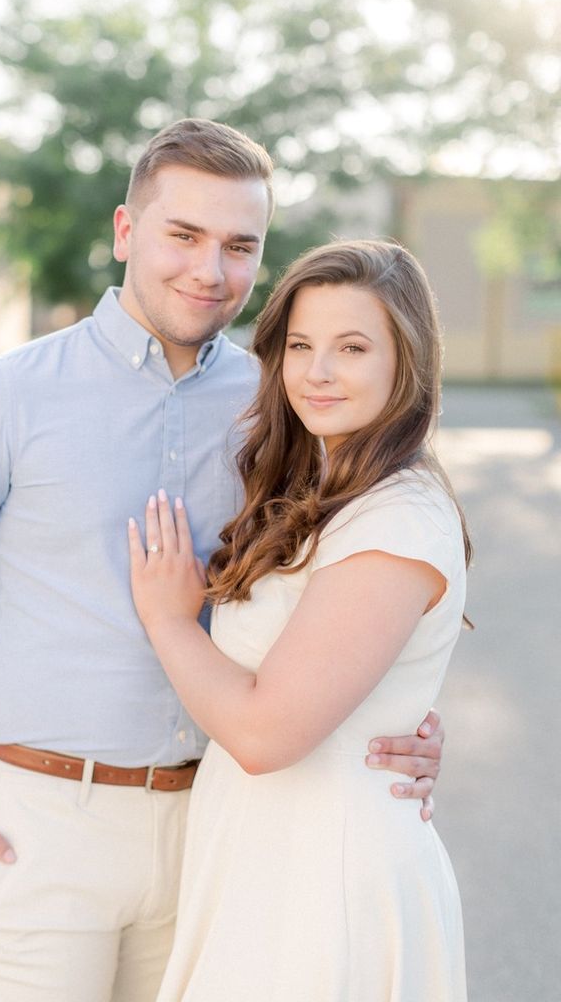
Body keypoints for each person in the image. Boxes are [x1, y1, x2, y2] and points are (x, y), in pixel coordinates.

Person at [0, 122, 446, 1002]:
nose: (211, 271)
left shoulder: (281, 402)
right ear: (128, 232)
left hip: (214, 828)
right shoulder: (3, 399)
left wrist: (398, 714)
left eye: (239, 246)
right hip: (39, 828)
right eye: (185, 235)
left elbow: (355, 578)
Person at [128, 238, 470, 1002]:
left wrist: (170, 621)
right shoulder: (327, 486)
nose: (316, 372)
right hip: (269, 860)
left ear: (404, 362)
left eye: (351, 347)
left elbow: (264, 733)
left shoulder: (398, 518)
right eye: (301, 345)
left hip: (327, 875)